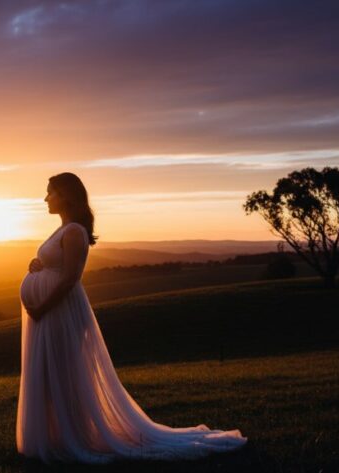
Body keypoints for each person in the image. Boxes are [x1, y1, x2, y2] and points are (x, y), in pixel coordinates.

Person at [16, 172, 247, 464]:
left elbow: (70, 279)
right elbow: (57, 268)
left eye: (50, 192)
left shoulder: (74, 230)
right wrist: (37, 265)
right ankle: (56, 436)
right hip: (50, 314)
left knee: (65, 377)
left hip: (59, 314)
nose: (45, 198)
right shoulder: (62, 229)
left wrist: (42, 307)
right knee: (52, 376)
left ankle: (72, 438)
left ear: (65, 195)